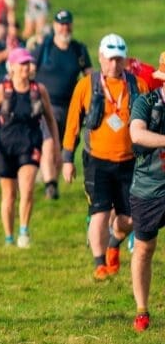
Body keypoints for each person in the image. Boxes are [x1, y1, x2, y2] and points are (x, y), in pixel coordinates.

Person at [61, 34, 148, 280]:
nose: (114, 65)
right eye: (109, 59)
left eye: (119, 60)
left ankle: (114, 243)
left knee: (130, 218)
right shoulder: (86, 85)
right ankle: (100, 263)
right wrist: (67, 159)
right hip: (96, 161)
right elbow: (72, 124)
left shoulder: (137, 85)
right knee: (99, 212)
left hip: (129, 161)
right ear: (100, 58)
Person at [0, 48, 60, 248]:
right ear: (12, 67)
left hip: (30, 144)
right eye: (22, 63)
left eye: (28, 63)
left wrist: (56, 146)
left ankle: (23, 231)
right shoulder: (2, 90)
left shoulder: (38, 90)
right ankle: (8, 236)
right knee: (9, 195)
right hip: (4, 146)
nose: (27, 67)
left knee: (28, 189)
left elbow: (50, 119)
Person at [31, 10, 92, 200]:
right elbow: (29, 70)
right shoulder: (44, 47)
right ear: (55, 26)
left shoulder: (78, 49)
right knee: (48, 141)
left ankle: (51, 180)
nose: (64, 28)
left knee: (65, 146)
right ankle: (50, 183)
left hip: (71, 107)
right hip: (45, 105)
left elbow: (90, 77)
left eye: (67, 24)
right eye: (61, 24)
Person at [128, 61, 165, 332]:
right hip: (149, 188)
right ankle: (142, 310)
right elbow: (136, 133)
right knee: (144, 248)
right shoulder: (146, 101)